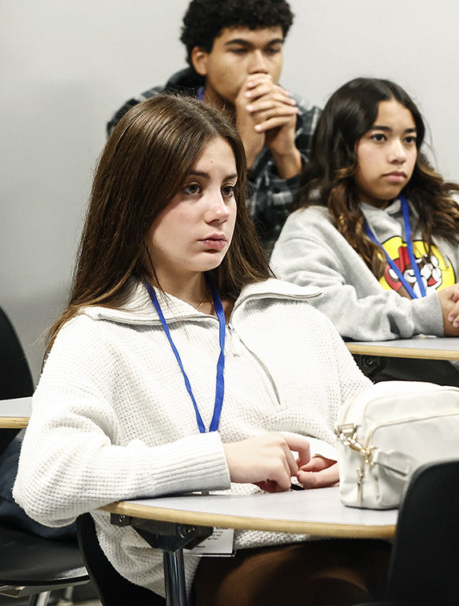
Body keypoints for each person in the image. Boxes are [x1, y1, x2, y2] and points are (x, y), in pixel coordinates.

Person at [16, 95, 387, 604]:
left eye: (229, 190)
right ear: (133, 200)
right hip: (230, 560)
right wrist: (220, 462)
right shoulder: (99, 332)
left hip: (350, 534)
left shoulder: (290, 314)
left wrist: (358, 461)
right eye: (192, 189)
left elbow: (375, 425)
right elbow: (45, 483)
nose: (219, 211)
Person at [270, 78, 459, 444]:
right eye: (380, 138)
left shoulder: (456, 210)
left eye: (409, 139)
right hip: (395, 420)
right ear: (342, 145)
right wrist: (426, 315)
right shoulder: (313, 227)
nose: (399, 154)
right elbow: (311, 308)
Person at [107, 0, 320, 250]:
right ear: (201, 59)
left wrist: (287, 157)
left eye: (272, 50)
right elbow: (152, 231)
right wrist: (242, 155)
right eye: (240, 50)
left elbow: (309, 246)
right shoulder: (146, 121)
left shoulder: (309, 121)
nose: (260, 67)